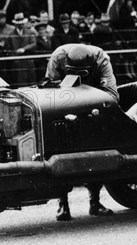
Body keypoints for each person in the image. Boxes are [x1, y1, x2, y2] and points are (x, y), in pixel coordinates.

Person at [45, 44, 118, 221]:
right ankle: (63, 203)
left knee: (96, 148)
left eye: (82, 73)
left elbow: (112, 96)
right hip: (64, 108)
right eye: (72, 72)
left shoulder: (101, 59)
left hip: (92, 109)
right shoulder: (57, 58)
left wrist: (88, 99)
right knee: (59, 148)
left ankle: (95, 202)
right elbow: (49, 92)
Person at [7, 12, 37, 86]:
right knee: (19, 84)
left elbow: (34, 44)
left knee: (31, 83)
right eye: (19, 23)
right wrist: (14, 56)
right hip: (17, 64)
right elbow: (8, 50)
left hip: (28, 62)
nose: (21, 25)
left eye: (22, 23)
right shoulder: (10, 35)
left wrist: (24, 49)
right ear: (16, 24)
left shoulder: (29, 32)